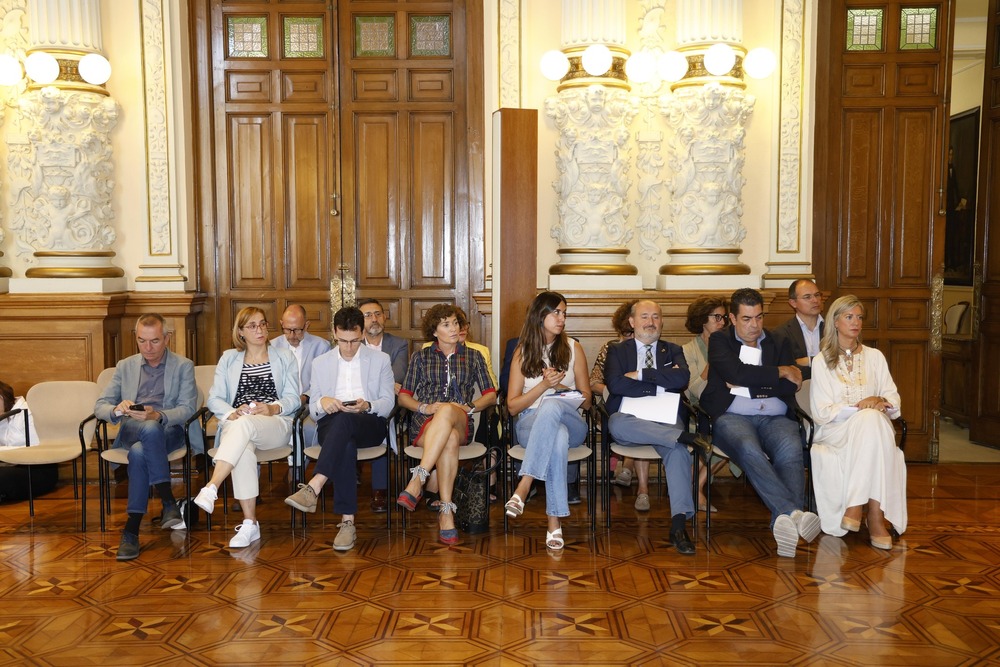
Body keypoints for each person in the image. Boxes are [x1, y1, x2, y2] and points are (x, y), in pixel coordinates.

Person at [701, 288, 821, 558]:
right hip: (732, 416)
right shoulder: (720, 341)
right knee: (749, 449)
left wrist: (748, 384)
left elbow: (789, 383)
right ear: (732, 318)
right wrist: (777, 372)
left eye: (758, 317)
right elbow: (734, 372)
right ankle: (794, 512)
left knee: (791, 451)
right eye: (746, 319)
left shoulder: (779, 341)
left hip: (776, 415)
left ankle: (785, 526)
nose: (754, 325)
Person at [605, 300, 712, 555]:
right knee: (615, 423)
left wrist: (640, 375)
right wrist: (661, 382)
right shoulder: (617, 351)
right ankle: (685, 436)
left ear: (661, 322)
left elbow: (681, 379)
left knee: (677, 452)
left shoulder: (673, 350)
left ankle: (678, 526)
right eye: (644, 316)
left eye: (655, 317)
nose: (650, 322)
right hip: (630, 419)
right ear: (632, 322)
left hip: (666, 416)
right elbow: (616, 385)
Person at [284, 306, 395, 551]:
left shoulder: (380, 360)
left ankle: (315, 485)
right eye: (343, 341)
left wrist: (367, 404)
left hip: (368, 422)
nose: (348, 347)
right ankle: (347, 524)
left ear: (361, 333)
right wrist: (323, 401)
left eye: (355, 341)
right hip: (331, 424)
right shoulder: (321, 362)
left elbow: (388, 404)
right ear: (335, 333)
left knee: (346, 422)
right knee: (344, 438)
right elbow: (313, 408)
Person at [93, 314, 198, 561]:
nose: (148, 348)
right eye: (142, 341)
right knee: (145, 434)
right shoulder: (125, 366)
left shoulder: (183, 366)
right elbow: (100, 406)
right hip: (131, 428)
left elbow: (187, 409)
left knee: (142, 449)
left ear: (167, 338)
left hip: (167, 430)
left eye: (154, 341)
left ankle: (131, 531)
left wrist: (157, 415)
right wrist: (118, 409)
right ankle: (168, 500)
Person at [194, 307, 301, 548]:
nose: (260, 330)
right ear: (240, 331)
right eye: (252, 326)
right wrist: (233, 412)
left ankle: (212, 486)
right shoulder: (229, 358)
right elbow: (215, 399)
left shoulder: (284, 357)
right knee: (242, 448)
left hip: (275, 425)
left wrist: (273, 408)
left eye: (263, 324)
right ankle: (250, 523)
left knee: (242, 428)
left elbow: (294, 397)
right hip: (240, 426)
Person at [809, 295, 905, 549]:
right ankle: (875, 517)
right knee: (869, 418)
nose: (856, 322)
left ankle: (855, 507)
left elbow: (894, 401)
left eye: (859, 317)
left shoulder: (875, 357)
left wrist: (879, 399)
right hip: (836, 431)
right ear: (835, 322)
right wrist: (859, 408)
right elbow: (821, 412)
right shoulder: (821, 361)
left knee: (872, 421)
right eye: (849, 317)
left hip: (875, 430)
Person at [396, 304, 496, 545]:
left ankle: (418, 479)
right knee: (448, 436)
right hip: (426, 424)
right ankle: (446, 512)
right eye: (446, 324)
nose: (454, 328)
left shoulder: (473, 356)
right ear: (434, 331)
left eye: (455, 323)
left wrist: (469, 407)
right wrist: (425, 407)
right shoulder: (421, 357)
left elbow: (490, 394)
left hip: (461, 419)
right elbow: (404, 396)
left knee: (450, 409)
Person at [503, 292, 592, 550]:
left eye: (564, 313)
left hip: (572, 419)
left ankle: (525, 484)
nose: (562, 318)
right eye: (556, 312)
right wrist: (543, 385)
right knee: (558, 436)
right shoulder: (522, 352)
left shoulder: (574, 348)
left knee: (554, 405)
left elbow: (587, 401)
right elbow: (512, 407)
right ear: (540, 316)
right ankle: (554, 521)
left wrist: (559, 387)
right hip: (530, 423)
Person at [589, 300, 646, 496]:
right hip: (611, 402)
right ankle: (626, 464)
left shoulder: (648, 351)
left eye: (632, 334)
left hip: (642, 404)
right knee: (624, 411)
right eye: (625, 334)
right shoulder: (610, 348)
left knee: (639, 414)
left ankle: (627, 464)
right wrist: (615, 390)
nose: (628, 338)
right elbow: (594, 382)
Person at [358, 297, 409, 512]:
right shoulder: (352, 344)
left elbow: (397, 375)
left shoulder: (398, 344)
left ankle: (379, 489)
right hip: (358, 403)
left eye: (377, 313)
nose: (373, 319)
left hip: (388, 405)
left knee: (380, 421)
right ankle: (350, 474)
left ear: (385, 317)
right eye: (367, 315)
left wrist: (374, 386)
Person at [681, 296, 729, 512]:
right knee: (720, 429)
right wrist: (714, 360)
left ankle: (694, 484)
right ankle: (697, 487)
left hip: (729, 405)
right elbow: (694, 389)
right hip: (699, 408)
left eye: (724, 317)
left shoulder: (733, 345)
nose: (722, 322)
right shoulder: (688, 350)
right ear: (702, 320)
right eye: (716, 317)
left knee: (736, 435)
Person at [271, 304, 331, 402]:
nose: (292, 335)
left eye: (297, 330)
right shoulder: (272, 347)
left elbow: (324, 382)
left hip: (309, 403)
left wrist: (305, 397)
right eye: (287, 329)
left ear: (306, 325)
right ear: (282, 324)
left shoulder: (321, 347)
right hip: (280, 404)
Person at [773, 279, 824, 380]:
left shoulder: (835, 328)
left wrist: (809, 361)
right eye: (807, 297)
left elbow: (842, 361)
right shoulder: (781, 333)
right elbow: (787, 370)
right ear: (793, 303)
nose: (815, 300)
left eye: (817, 295)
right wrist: (824, 366)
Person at [0, 380, 38, 448]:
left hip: (28, 456)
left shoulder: (29, 413)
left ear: (1, 398)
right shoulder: (3, 413)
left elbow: (37, 447)